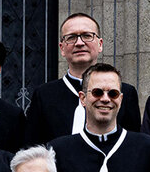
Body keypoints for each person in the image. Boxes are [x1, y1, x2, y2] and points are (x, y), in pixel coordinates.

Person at [24, 13, 141, 147]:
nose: (79, 43)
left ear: (100, 44)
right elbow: (31, 150)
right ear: (62, 48)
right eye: (71, 37)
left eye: (87, 36)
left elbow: (133, 145)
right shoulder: (44, 95)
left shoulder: (124, 92)